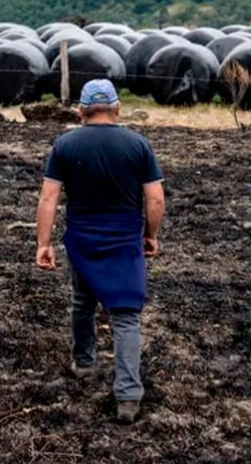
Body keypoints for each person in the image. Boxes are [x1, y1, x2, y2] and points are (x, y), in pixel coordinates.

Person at [34, 78, 165, 424]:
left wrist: (43, 243)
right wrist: (150, 235)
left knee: (82, 303)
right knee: (125, 316)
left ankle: (84, 364)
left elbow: (49, 197)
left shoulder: (65, 144)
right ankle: (128, 396)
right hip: (124, 241)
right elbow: (155, 198)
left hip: (83, 238)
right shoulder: (138, 144)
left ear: (81, 111)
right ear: (117, 108)